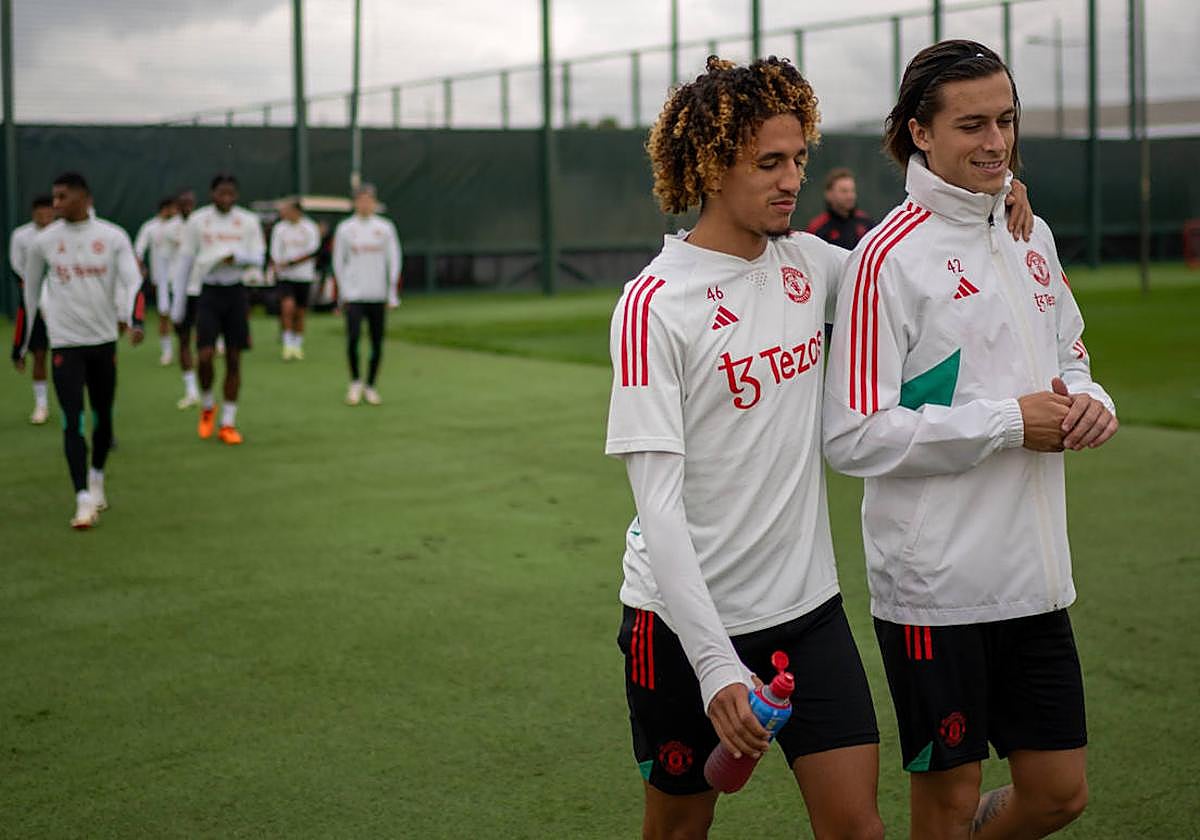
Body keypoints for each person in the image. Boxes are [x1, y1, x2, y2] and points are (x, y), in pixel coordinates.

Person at [822, 40, 1118, 840]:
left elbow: (1071, 355)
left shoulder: (1030, 232)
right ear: (920, 132)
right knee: (946, 806)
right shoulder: (885, 259)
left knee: (1059, 792)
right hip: (935, 589)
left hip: (1036, 574)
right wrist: (1009, 421)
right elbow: (851, 435)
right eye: (972, 125)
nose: (996, 142)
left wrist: (1091, 402)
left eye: (1007, 121)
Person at [604, 56, 886, 840]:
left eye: (798, 158)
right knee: (678, 832)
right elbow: (656, 506)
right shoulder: (654, 304)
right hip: (683, 625)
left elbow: (906, 267)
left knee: (858, 830)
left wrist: (987, 204)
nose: (792, 178)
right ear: (711, 164)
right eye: (769, 162)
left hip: (809, 611)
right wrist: (715, 663)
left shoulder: (810, 265)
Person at [17, 172, 144, 529]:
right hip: (65, 345)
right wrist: (23, 343)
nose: (55, 204)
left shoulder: (112, 235)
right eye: (53, 197)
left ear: (84, 198)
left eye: (62, 197)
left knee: (103, 420)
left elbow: (133, 280)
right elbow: (29, 294)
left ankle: (97, 477)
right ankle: (82, 499)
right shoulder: (43, 242)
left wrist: (134, 319)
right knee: (72, 420)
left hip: (103, 343)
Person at [173, 174, 264, 445]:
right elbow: (185, 263)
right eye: (221, 193)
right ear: (212, 194)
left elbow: (258, 257)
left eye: (231, 194)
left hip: (236, 293)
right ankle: (208, 405)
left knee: (234, 358)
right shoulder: (198, 221)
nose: (226, 198)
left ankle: (228, 422)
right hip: (208, 293)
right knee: (205, 355)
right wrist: (177, 305)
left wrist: (236, 257)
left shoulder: (248, 221)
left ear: (236, 195)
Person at [332, 183, 401, 406]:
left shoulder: (386, 228)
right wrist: (343, 293)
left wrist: (391, 293)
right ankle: (355, 382)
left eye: (369, 200)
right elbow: (338, 262)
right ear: (355, 202)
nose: (365, 204)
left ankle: (370, 385)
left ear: (374, 202)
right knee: (352, 339)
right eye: (361, 200)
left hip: (378, 295)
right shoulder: (345, 228)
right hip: (354, 296)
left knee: (376, 342)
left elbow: (394, 260)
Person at [9, 195, 57, 424]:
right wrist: (35, 292)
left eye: (49, 213)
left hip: (64, 303)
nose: (45, 217)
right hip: (34, 301)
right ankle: (41, 405)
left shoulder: (62, 232)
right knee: (39, 354)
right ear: (33, 213)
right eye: (40, 213)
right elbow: (16, 266)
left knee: (69, 357)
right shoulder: (21, 235)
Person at [269, 198, 321, 360]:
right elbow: (275, 251)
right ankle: (287, 344)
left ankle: (297, 346)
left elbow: (313, 251)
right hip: (285, 277)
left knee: (300, 312)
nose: (284, 213)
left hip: (304, 276)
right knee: (287, 308)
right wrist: (279, 264)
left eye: (287, 209)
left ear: (297, 211)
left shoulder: (310, 227)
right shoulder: (279, 228)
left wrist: (291, 262)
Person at [133, 196, 180, 365]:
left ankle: (190, 348)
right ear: (165, 208)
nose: (175, 211)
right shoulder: (150, 227)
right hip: (161, 280)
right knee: (163, 315)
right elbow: (138, 250)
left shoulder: (181, 225)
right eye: (173, 208)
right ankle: (167, 352)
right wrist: (141, 269)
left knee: (189, 315)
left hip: (182, 280)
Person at [167, 189, 202, 408]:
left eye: (190, 202)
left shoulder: (202, 223)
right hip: (180, 290)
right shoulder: (170, 229)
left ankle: (205, 388)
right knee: (183, 339)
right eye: (183, 203)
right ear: (177, 205)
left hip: (202, 289)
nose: (187, 206)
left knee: (204, 342)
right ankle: (191, 390)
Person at [804, 167, 875, 249]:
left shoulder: (866, 222)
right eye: (844, 191)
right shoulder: (817, 227)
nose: (850, 196)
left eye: (852, 191)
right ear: (829, 194)